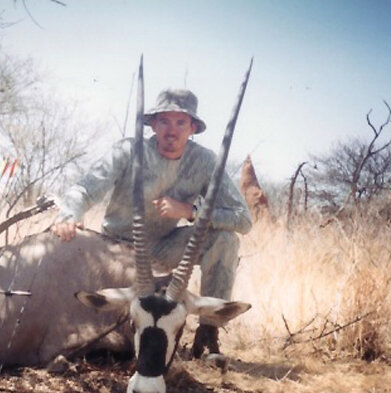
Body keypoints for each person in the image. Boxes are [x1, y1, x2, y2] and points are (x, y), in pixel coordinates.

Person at [52, 88, 252, 357]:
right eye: (164, 121)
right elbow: (84, 190)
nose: (172, 131)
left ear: (193, 128)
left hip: (164, 248)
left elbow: (243, 218)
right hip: (116, 249)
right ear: (153, 125)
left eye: (181, 122)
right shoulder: (127, 150)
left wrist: (190, 211)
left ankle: (207, 335)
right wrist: (69, 215)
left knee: (226, 240)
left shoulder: (204, 161)